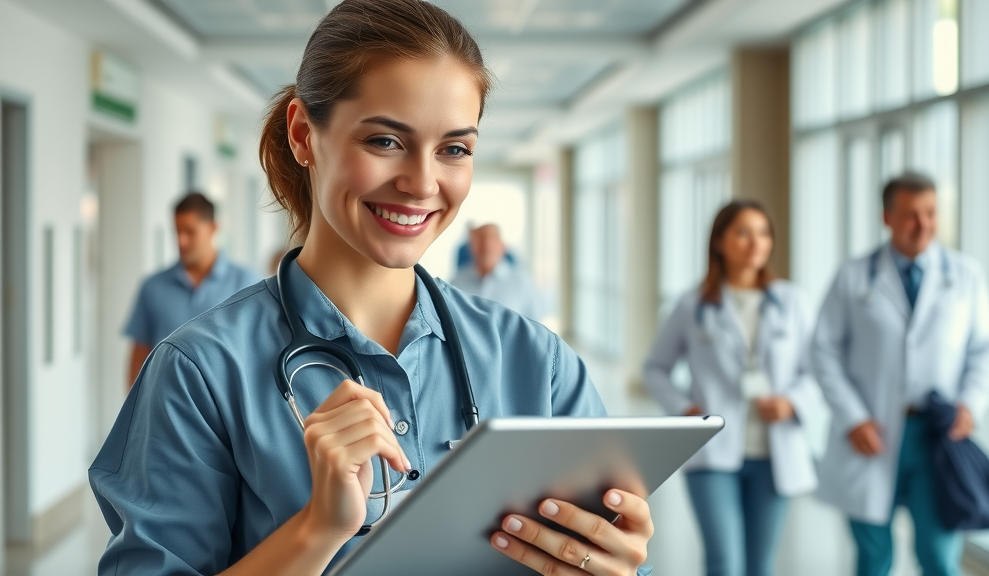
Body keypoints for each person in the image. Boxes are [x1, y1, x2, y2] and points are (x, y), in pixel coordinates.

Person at [89, 2, 654, 575]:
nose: (422, 183)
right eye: (385, 141)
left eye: (454, 149)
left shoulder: (537, 364)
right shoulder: (200, 373)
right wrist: (317, 530)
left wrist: (614, 565)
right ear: (303, 134)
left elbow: (608, 550)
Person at [812, 173, 989, 576]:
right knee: (873, 557)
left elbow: (987, 349)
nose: (923, 224)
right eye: (911, 215)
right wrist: (853, 417)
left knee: (939, 557)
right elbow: (824, 350)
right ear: (887, 217)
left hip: (937, 435)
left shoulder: (965, 274)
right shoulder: (853, 275)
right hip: (870, 431)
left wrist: (970, 404)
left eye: (930, 213)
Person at [644, 200, 819, 576]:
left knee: (760, 565)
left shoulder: (792, 301)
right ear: (719, 241)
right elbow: (655, 369)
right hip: (712, 452)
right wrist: (683, 409)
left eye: (763, 233)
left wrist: (792, 402)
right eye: (743, 233)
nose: (755, 243)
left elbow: (815, 370)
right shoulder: (692, 305)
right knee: (724, 563)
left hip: (774, 453)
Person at [123, 192, 261, 387]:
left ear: (213, 228)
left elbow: (259, 352)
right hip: (164, 402)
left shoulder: (247, 284)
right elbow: (139, 357)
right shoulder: (153, 287)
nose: (181, 241)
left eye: (190, 232)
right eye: (177, 231)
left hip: (226, 402)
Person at [451, 223, 541, 319]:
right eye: (481, 239)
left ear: (503, 246)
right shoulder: (456, 283)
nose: (486, 245)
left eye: (492, 239)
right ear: (471, 247)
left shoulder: (522, 282)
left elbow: (536, 323)